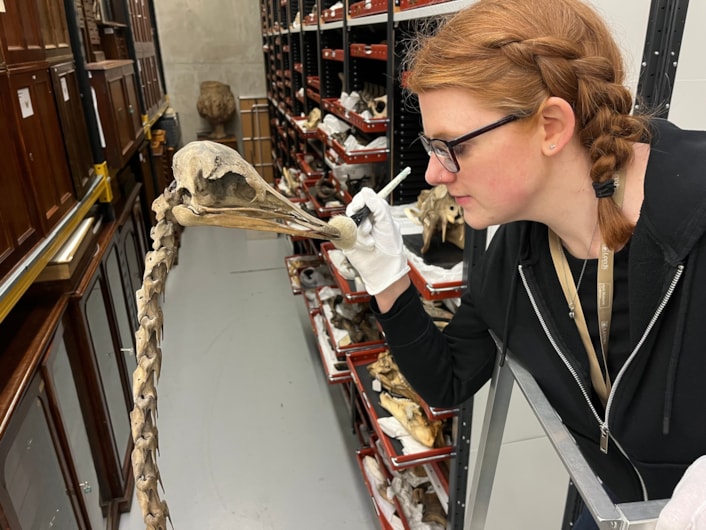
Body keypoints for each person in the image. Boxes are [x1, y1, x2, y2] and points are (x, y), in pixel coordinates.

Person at [338, 0, 706, 528]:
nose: (435, 175)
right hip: (610, 510)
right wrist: (389, 280)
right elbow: (450, 379)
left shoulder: (696, 215)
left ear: (551, 125)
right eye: (429, 146)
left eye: (450, 147)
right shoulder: (511, 250)